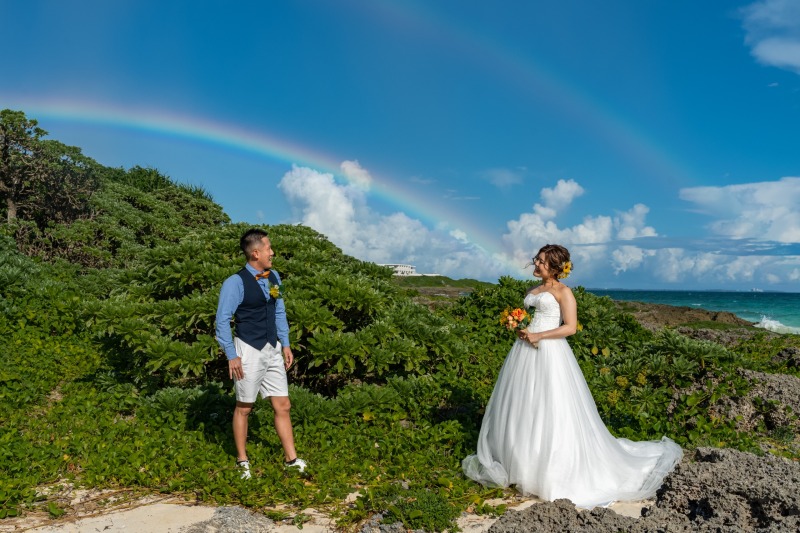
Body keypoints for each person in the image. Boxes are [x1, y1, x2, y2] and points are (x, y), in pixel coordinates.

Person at [462, 244, 682, 508]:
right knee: (524, 405)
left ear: (555, 267)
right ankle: (520, 463)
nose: (536, 263)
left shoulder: (564, 293)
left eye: (541, 261)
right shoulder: (533, 290)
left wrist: (539, 335)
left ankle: (550, 470)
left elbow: (570, 328)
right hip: (524, 351)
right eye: (537, 259)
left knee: (552, 406)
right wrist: (520, 328)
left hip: (550, 352)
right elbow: (534, 318)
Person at [215, 228, 306, 479]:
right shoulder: (234, 282)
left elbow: (279, 312)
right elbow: (222, 320)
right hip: (248, 350)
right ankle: (242, 461)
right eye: (268, 248)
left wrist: (285, 343)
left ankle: (291, 459)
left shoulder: (273, 276)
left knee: (283, 404)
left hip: (271, 347)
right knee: (245, 407)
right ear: (255, 253)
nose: (272, 252)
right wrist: (232, 355)